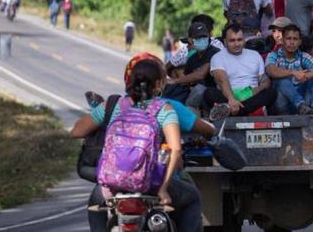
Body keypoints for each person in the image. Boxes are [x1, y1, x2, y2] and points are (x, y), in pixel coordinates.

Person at [71, 58, 203, 232]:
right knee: (193, 198)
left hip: (112, 185)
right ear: (158, 85)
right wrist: (163, 189)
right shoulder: (164, 109)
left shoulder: (112, 105)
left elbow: (76, 132)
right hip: (150, 185)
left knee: (95, 204)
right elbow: (176, 149)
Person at [206, 23, 278, 117]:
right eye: (232, 41)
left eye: (239, 40)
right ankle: (251, 112)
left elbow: (264, 80)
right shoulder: (217, 57)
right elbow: (222, 81)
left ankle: (229, 111)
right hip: (228, 95)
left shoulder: (255, 55)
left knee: (271, 92)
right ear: (225, 42)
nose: (236, 44)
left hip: (251, 96)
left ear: (244, 40)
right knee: (209, 93)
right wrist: (232, 100)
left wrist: (255, 91)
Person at [265, 25, 313, 114]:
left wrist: (308, 75)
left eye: (295, 39)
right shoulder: (273, 55)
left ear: (299, 42)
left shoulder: (303, 56)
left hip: (305, 105)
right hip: (282, 104)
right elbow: (271, 70)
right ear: (282, 40)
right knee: (282, 80)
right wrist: (293, 73)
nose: (292, 42)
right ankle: (300, 105)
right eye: (288, 39)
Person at [165, 22, 220, 109]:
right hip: (197, 93)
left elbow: (201, 74)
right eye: (199, 37)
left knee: (199, 89)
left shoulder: (214, 52)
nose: (202, 40)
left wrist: (175, 81)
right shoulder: (192, 59)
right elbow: (185, 79)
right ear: (190, 40)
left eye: (204, 37)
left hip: (214, 91)